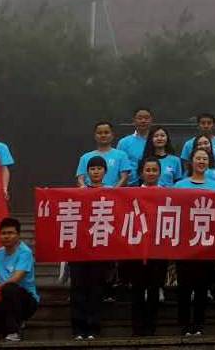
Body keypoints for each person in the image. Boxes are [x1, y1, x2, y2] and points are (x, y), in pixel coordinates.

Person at [173, 148, 215, 335]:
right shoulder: (179, 185)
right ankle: (184, 324)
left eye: (204, 159)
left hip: (207, 243)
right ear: (191, 162)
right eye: (198, 158)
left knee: (202, 286)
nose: (201, 161)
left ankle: (199, 324)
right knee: (184, 286)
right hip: (185, 243)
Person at [68, 157, 111, 339]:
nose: (96, 172)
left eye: (99, 168)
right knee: (78, 289)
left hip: (100, 249)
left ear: (105, 171)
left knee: (96, 290)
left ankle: (93, 328)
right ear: (87, 172)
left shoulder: (112, 193)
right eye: (92, 168)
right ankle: (78, 329)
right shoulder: (78, 193)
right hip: (79, 249)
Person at [0, 217, 39, 342]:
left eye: (11, 233)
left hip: (26, 301)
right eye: (3, 233)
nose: (6, 236)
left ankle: (14, 332)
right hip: (8, 301)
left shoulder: (25, 252)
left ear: (18, 235)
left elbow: (16, 278)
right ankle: (13, 327)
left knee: (10, 288)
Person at [124, 158, 167, 336]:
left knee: (154, 289)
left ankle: (151, 328)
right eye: (147, 170)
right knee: (137, 290)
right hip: (137, 250)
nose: (151, 173)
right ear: (141, 173)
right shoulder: (131, 194)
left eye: (154, 170)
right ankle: (137, 328)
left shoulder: (168, 194)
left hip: (159, 250)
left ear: (159, 173)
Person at [74, 120, 131, 188]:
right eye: (99, 133)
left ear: (112, 135)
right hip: (91, 193)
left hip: (114, 193)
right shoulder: (85, 157)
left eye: (106, 132)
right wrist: (85, 189)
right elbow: (80, 179)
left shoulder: (122, 155)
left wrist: (114, 191)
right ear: (95, 136)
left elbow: (124, 177)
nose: (103, 135)